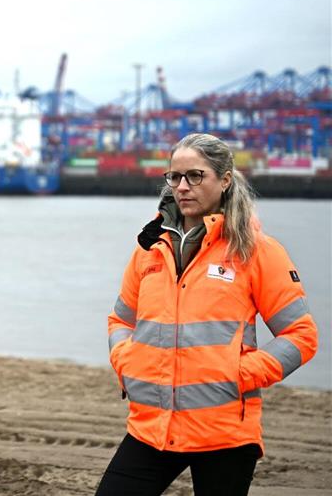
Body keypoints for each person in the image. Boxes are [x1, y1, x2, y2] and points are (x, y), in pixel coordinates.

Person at [97, 133, 318, 496]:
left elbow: (301, 334)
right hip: (152, 426)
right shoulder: (151, 250)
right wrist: (126, 360)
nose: (183, 186)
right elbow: (121, 321)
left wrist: (239, 374)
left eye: (195, 176)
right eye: (175, 177)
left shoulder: (256, 250)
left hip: (224, 431)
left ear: (225, 180)